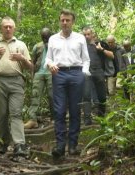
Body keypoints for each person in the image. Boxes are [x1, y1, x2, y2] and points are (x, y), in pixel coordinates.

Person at [0, 16, 33, 156]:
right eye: (5, 26)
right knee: (2, 114)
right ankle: (3, 142)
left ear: (14, 28)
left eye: (10, 26)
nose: (8, 29)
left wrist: (22, 59)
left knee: (16, 113)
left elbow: (30, 67)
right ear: (1, 28)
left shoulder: (21, 45)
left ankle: (20, 145)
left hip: (17, 81)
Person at [45, 9, 90, 159]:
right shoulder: (52, 39)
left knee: (75, 111)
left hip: (76, 74)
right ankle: (60, 146)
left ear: (73, 22)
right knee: (59, 111)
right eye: (62, 20)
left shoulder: (80, 38)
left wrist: (83, 73)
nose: (64, 23)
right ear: (60, 21)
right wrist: (50, 64)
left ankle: (73, 146)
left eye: (68, 20)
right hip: (59, 74)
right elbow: (48, 59)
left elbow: (86, 59)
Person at [82, 26, 114, 125]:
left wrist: (102, 49)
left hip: (99, 72)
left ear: (92, 34)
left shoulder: (100, 44)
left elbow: (112, 55)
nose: (86, 36)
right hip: (86, 73)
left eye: (88, 34)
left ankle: (101, 117)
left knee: (102, 96)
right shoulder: (81, 46)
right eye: (85, 34)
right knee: (86, 96)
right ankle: (87, 119)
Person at [24, 28, 53, 129]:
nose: (45, 39)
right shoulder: (37, 46)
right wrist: (32, 75)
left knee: (52, 95)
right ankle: (33, 120)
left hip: (52, 73)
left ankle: (54, 119)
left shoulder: (55, 45)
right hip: (39, 73)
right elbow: (33, 61)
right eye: (43, 37)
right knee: (35, 95)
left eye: (47, 37)